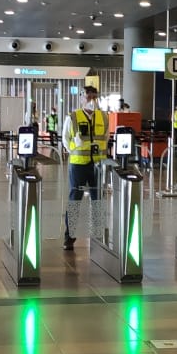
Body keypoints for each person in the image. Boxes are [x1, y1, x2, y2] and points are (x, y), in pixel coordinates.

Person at [62, 85, 106, 251]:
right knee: (75, 199)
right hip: (79, 164)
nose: (91, 101)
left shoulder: (103, 116)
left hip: (97, 164)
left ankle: (99, 235)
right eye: (88, 98)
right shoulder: (73, 116)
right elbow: (65, 138)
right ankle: (69, 237)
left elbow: (106, 137)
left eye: (94, 98)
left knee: (98, 199)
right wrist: (73, 150)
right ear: (81, 98)